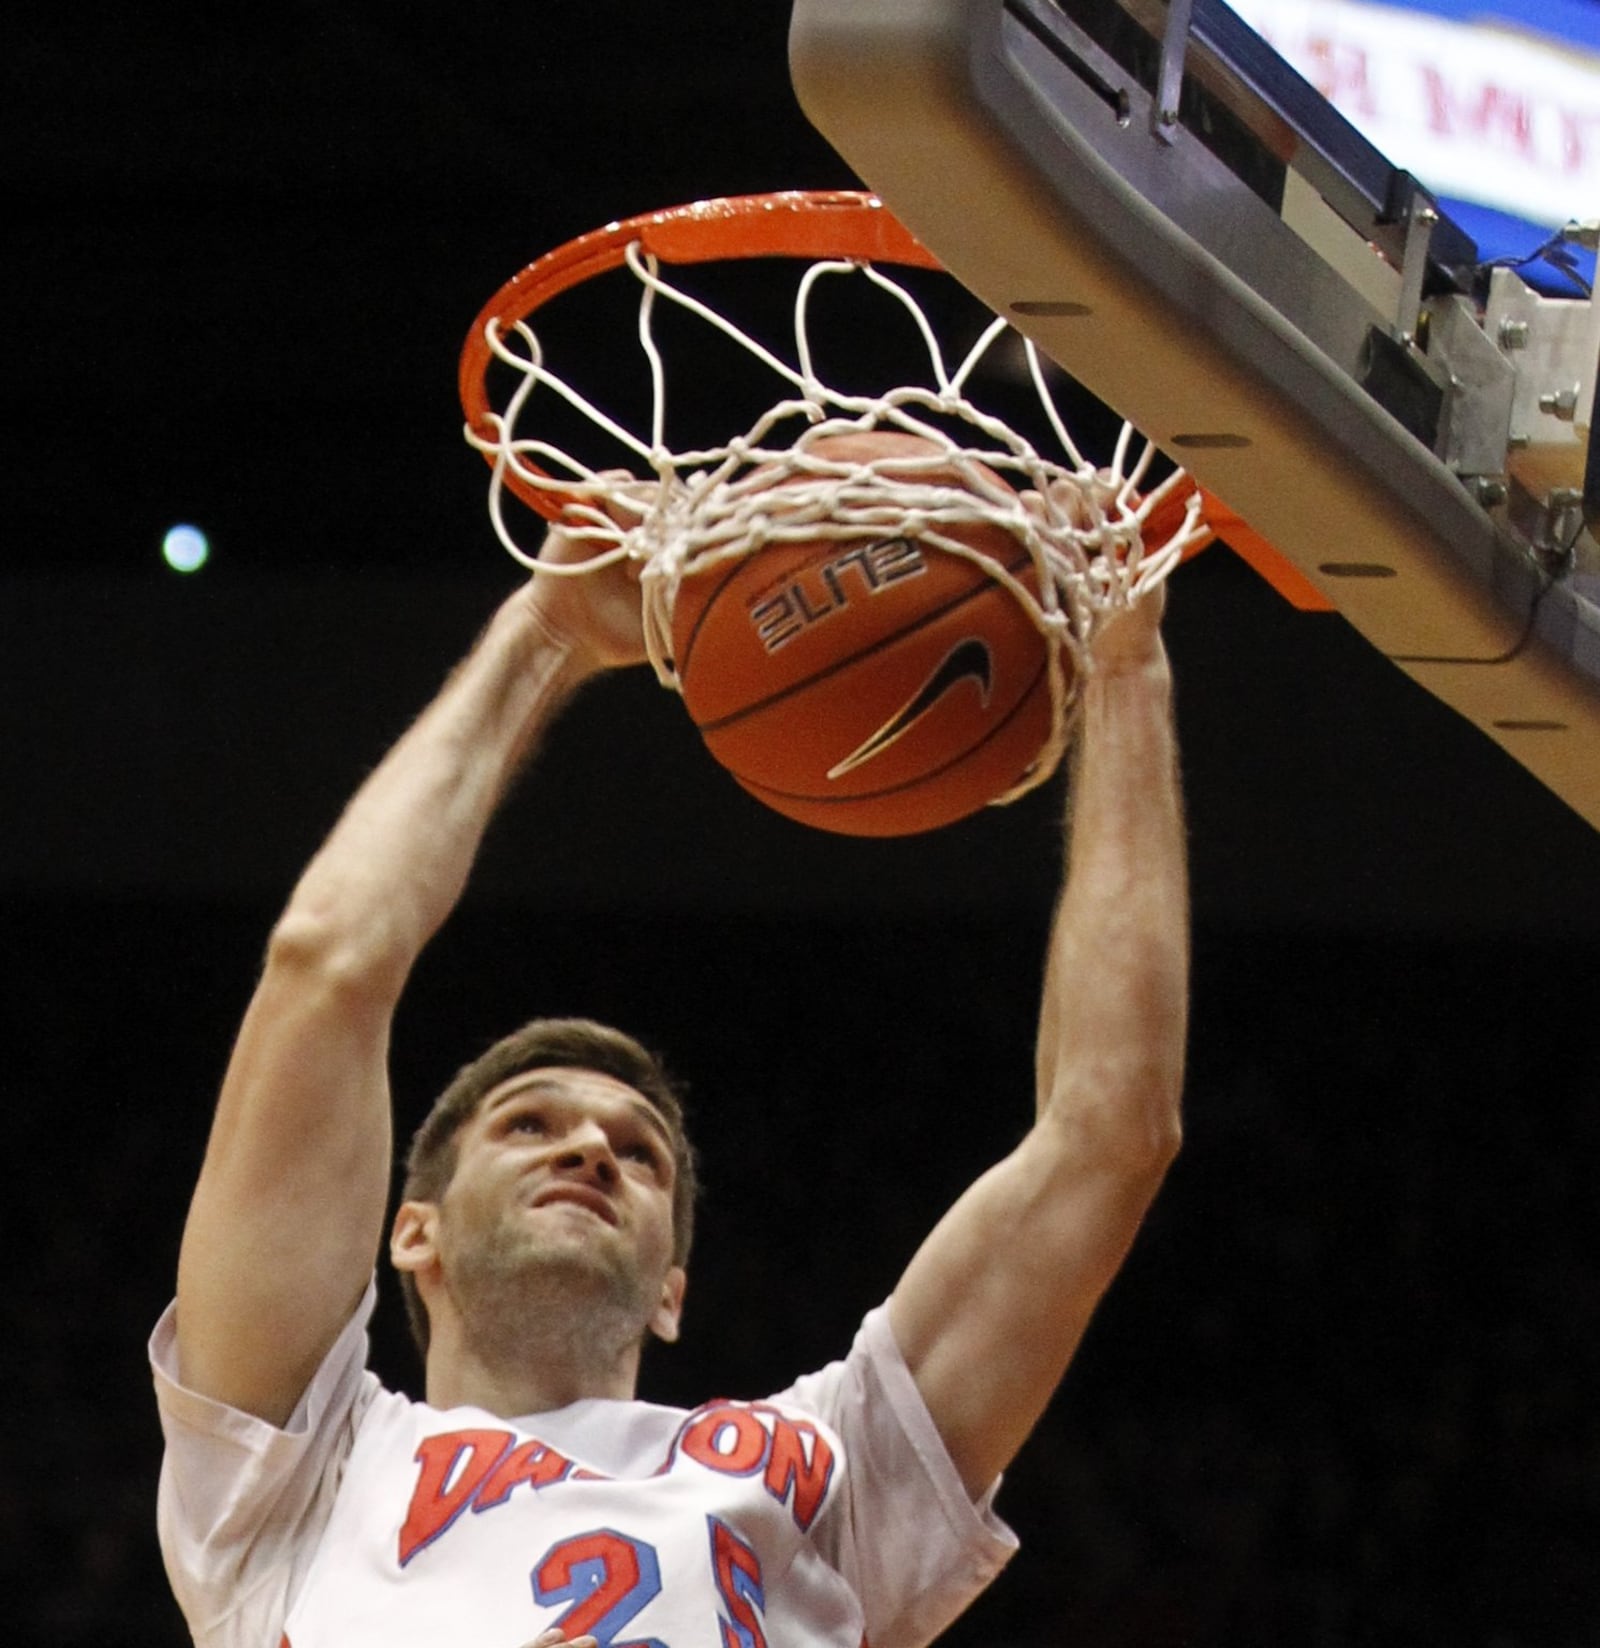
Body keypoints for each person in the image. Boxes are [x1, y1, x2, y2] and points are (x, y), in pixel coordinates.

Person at [149, 507, 1189, 1648]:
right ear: (414, 1234)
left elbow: (1109, 1136)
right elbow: (326, 967)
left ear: (671, 1289)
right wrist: (543, 631)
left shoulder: (824, 1475)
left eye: (637, 1153)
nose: (589, 1148)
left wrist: (1124, 666)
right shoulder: (299, 1470)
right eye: (527, 1124)